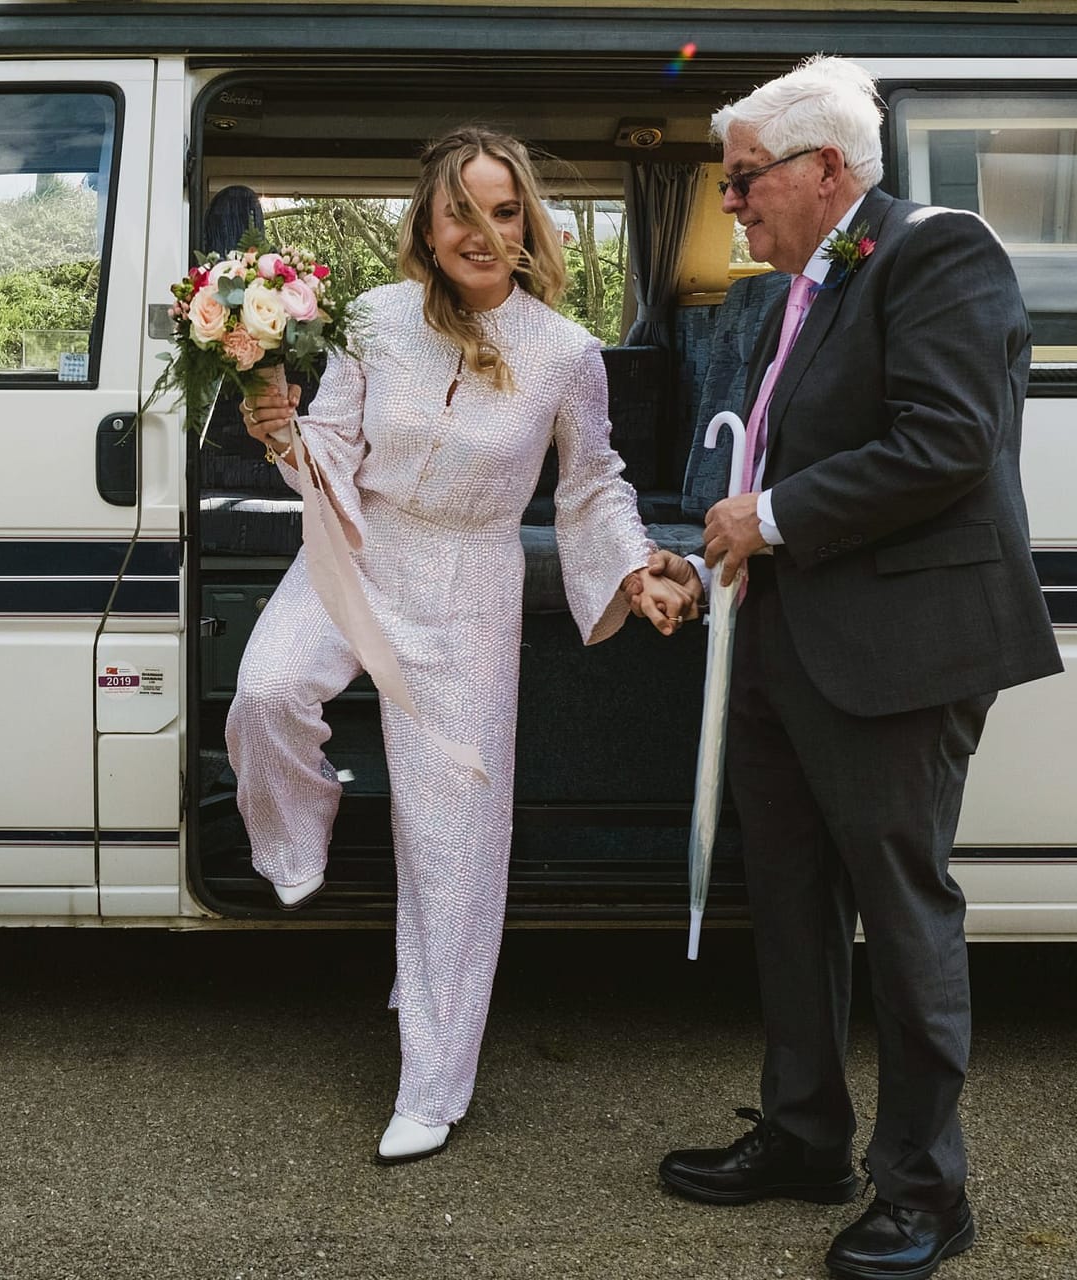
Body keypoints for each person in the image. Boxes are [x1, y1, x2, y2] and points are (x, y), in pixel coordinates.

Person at [655, 57, 1061, 1280]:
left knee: (903, 909)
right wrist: (717, 541)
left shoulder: (939, 252)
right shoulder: (797, 288)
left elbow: (947, 439)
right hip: (791, 641)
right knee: (787, 901)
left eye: (743, 176)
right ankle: (804, 1137)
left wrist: (764, 518)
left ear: (829, 168)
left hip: (900, 652)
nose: (729, 201)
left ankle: (928, 1188)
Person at [230, 127, 696, 1165]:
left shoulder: (566, 352)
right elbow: (335, 452)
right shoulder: (372, 320)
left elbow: (592, 482)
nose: (483, 231)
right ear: (427, 227)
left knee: (454, 844)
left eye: (503, 209)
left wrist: (631, 566)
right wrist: (281, 431)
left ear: (528, 221)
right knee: (262, 692)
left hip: (471, 585)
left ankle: (432, 1085)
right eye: (461, 211)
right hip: (357, 545)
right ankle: (293, 845)